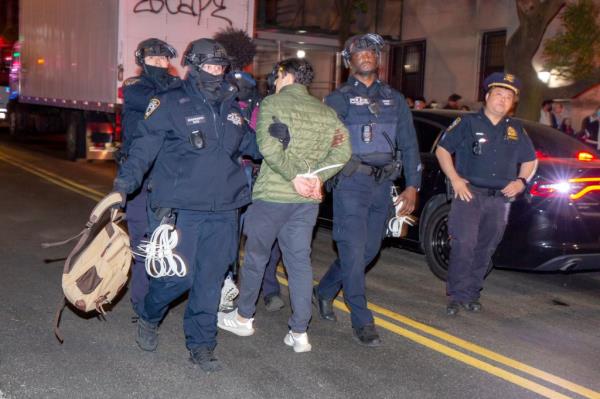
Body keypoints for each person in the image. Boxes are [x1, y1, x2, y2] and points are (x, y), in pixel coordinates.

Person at [112, 38, 256, 372]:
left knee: (210, 279)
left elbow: (252, 145)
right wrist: (123, 187)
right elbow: (142, 151)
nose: (215, 72)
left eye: (220, 67)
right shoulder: (169, 104)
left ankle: (202, 345)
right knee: (179, 277)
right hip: (181, 210)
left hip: (225, 211)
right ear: (192, 65)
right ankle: (149, 314)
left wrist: (278, 139)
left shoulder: (232, 109)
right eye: (209, 66)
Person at [217, 58, 351, 353]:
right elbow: (344, 150)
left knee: (255, 258)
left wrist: (293, 177)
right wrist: (316, 178)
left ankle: (243, 317)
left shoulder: (272, 104)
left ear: (286, 76)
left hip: (273, 196)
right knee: (299, 263)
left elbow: (267, 147)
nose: (274, 82)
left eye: (277, 76)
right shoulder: (326, 112)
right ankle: (300, 333)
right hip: (305, 202)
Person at [313, 33, 422, 347]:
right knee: (352, 248)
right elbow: (324, 144)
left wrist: (412, 186)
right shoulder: (338, 99)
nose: (366, 54)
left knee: (369, 250)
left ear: (379, 58)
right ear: (349, 61)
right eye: (359, 51)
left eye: (371, 50)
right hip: (351, 184)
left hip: (383, 185)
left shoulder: (395, 99)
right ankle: (361, 317)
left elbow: (410, 144)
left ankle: (324, 290)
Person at [435, 72, 537, 316]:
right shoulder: (468, 122)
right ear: (487, 96)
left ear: (513, 103)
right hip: (470, 194)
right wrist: (456, 180)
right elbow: (442, 150)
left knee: (486, 247)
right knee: (464, 244)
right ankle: (457, 295)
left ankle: (472, 294)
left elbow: (530, 160)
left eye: (508, 97)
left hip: (500, 199)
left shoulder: (516, 128)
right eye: (499, 94)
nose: (503, 100)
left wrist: (521, 181)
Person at [118, 38, 179, 317]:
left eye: (163, 59)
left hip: (169, 175)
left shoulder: (176, 89)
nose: (159, 64)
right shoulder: (135, 89)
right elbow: (155, 103)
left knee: (168, 241)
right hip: (139, 175)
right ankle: (141, 302)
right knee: (142, 241)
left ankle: (161, 293)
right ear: (142, 61)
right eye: (153, 60)